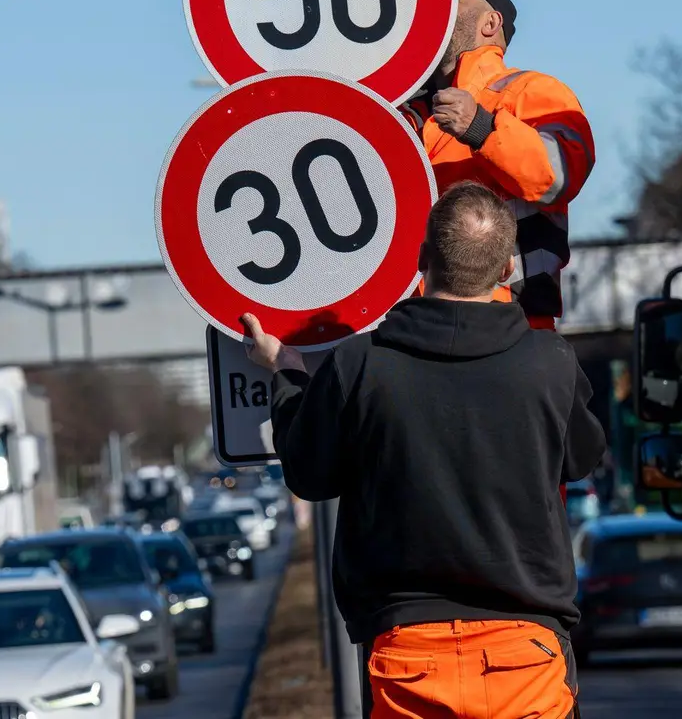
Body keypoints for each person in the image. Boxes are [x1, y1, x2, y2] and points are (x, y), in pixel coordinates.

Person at [241, 181, 606, 719]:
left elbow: (309, 474)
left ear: (421, 259)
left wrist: (289, 374)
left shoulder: (360, 365)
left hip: (406, 657)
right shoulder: (549, 363)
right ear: (507, 270)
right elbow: (584, 456)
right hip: (527, 656)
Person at [401, 0, 595, 331]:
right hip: (412, 326)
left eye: (451, 1)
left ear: (490, 22)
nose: (435, 11)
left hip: (510, 326)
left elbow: (560, 172)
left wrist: (481, 128)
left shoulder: (531, 91)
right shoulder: (405, 114)